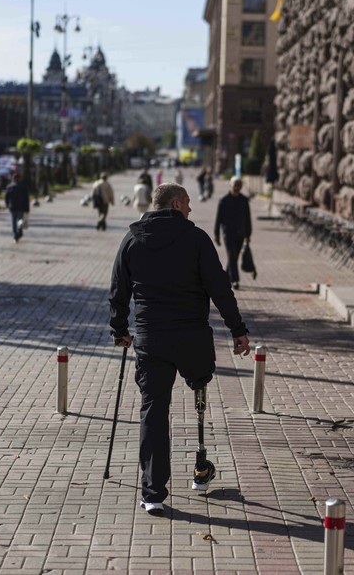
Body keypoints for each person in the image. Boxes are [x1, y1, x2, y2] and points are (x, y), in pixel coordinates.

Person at [109, 183, 250, 516]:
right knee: (198, 387)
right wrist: (238, 330)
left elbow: (118, 289)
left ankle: (153, 492)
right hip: (191, 338)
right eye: (187, 204)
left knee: (153, 411)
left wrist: (120, 330)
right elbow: (220, 287)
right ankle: (201, 467)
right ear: (175, 203)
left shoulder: (131, 240)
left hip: (151, 338)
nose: (190, 210)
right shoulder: (196, 239)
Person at [214, 177, 252, 290]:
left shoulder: (244, 200)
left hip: (240, 233)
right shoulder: (223, 201)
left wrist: (248, 235)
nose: (236, 188)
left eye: (238, 186)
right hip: (228, 233)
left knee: (234, 258)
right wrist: (216, 234)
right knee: (232, 255)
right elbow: (218, 219)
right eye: (234, 186)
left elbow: (247, 218)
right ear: (230, 186)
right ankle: (235, 280)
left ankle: (224, 278)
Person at [4, 173, 29, 242]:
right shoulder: (23, 187)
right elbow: (26, 198)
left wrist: (7, 204)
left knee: (14, 221)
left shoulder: (9, 187)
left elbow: (6, 197)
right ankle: (20, 232)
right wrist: (27, 208)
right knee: (20, 220)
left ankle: (15, 234)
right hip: (20, 207)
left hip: (13, 206)